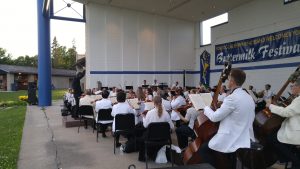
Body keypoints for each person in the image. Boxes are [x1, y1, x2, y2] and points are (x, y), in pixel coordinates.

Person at [198, 68, 255, 169]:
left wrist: (205, 107)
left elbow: (215, 117)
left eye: (228, 79)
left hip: (233, 136)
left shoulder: (232, 98)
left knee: (203, 150)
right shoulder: (248, 97)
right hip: (246, 136)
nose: (228, 81)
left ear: (232, 81)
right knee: (225, 153)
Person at [266, 78, 300, 168]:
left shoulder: (298, 99)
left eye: (292, 86)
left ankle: (293, 159)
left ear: (298, 87)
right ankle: (294, 159)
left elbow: (286, 112)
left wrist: (271, 106)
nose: (291, 88)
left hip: (296, 133)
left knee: (272, 138)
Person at [138, 96, 174, 161]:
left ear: (153, 103)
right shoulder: (166, 113)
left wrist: (144, 117)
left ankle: (142, 158)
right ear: (161, 102)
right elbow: (172, 127)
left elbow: (145, 125)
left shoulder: (149, 113)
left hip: (151, 137)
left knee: (141, 139)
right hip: (164, 137)